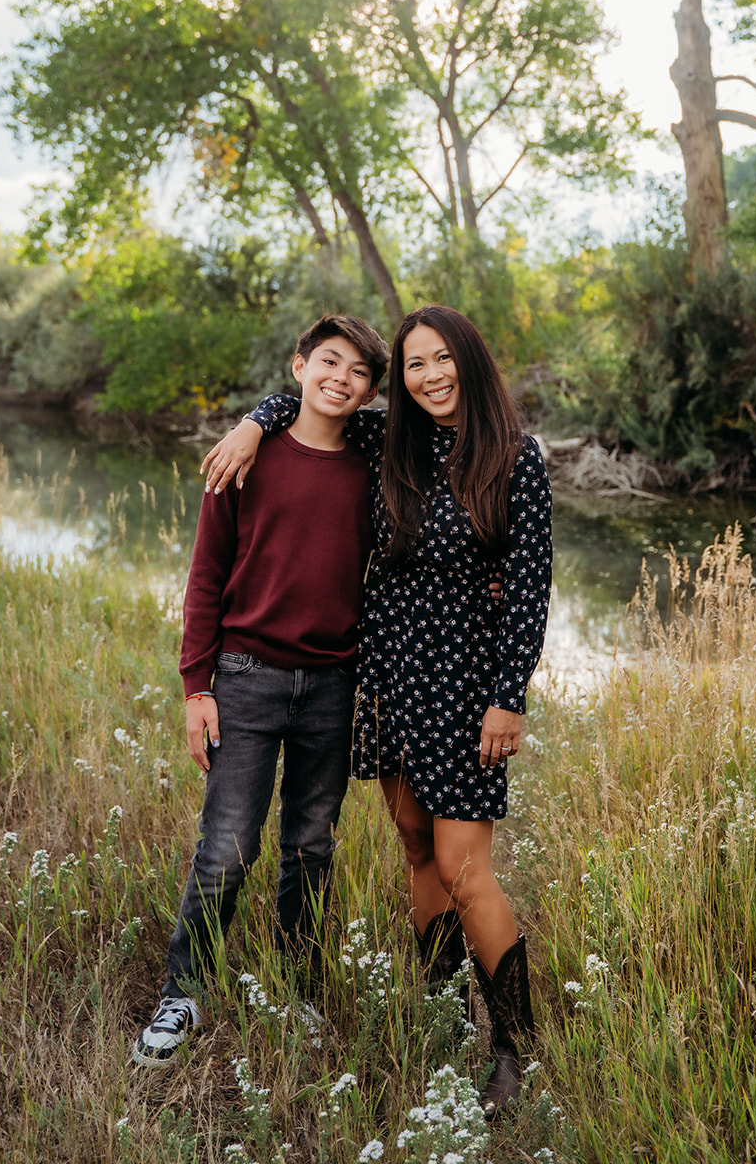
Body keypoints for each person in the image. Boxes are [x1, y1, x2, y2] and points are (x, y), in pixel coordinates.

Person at [201, 305, 552, 1119]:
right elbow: (316, 397)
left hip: (465, 686)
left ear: (468, 360)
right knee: (414, 852)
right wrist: (256, 423)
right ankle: (439, 1013)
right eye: (413, 365)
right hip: (387, 675)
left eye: (441, 361)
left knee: (468, 873)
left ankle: (511, 1048)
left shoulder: (515, 459)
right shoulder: (385, 440)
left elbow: (528, 588)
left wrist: (509, 698)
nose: (429, 377)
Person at [131, 315, 390, 1068]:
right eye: (328, 363)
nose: (340, 380)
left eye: (358, 373)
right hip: (245, 678)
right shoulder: (246, 458)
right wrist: (194, 685)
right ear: (299, 365)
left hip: (334, 684)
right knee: (227, 849)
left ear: (370, 391)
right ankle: (183, 991)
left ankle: (299, 984)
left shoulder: (372, 465)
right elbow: (206, 573)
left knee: (310, 846)